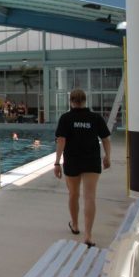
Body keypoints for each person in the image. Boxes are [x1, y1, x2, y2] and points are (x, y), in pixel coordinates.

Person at [53, 89, 111, 248]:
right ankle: (88, 235)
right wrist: (107, 156)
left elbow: (61, 141)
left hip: (73, 161)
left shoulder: (66, 118)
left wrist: (57, 163)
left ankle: (76, 226)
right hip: (91, 161)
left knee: (73, 194)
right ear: (85, 101)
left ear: (70, 101)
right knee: (90, 197)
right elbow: (106, 138)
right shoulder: (95, 118)